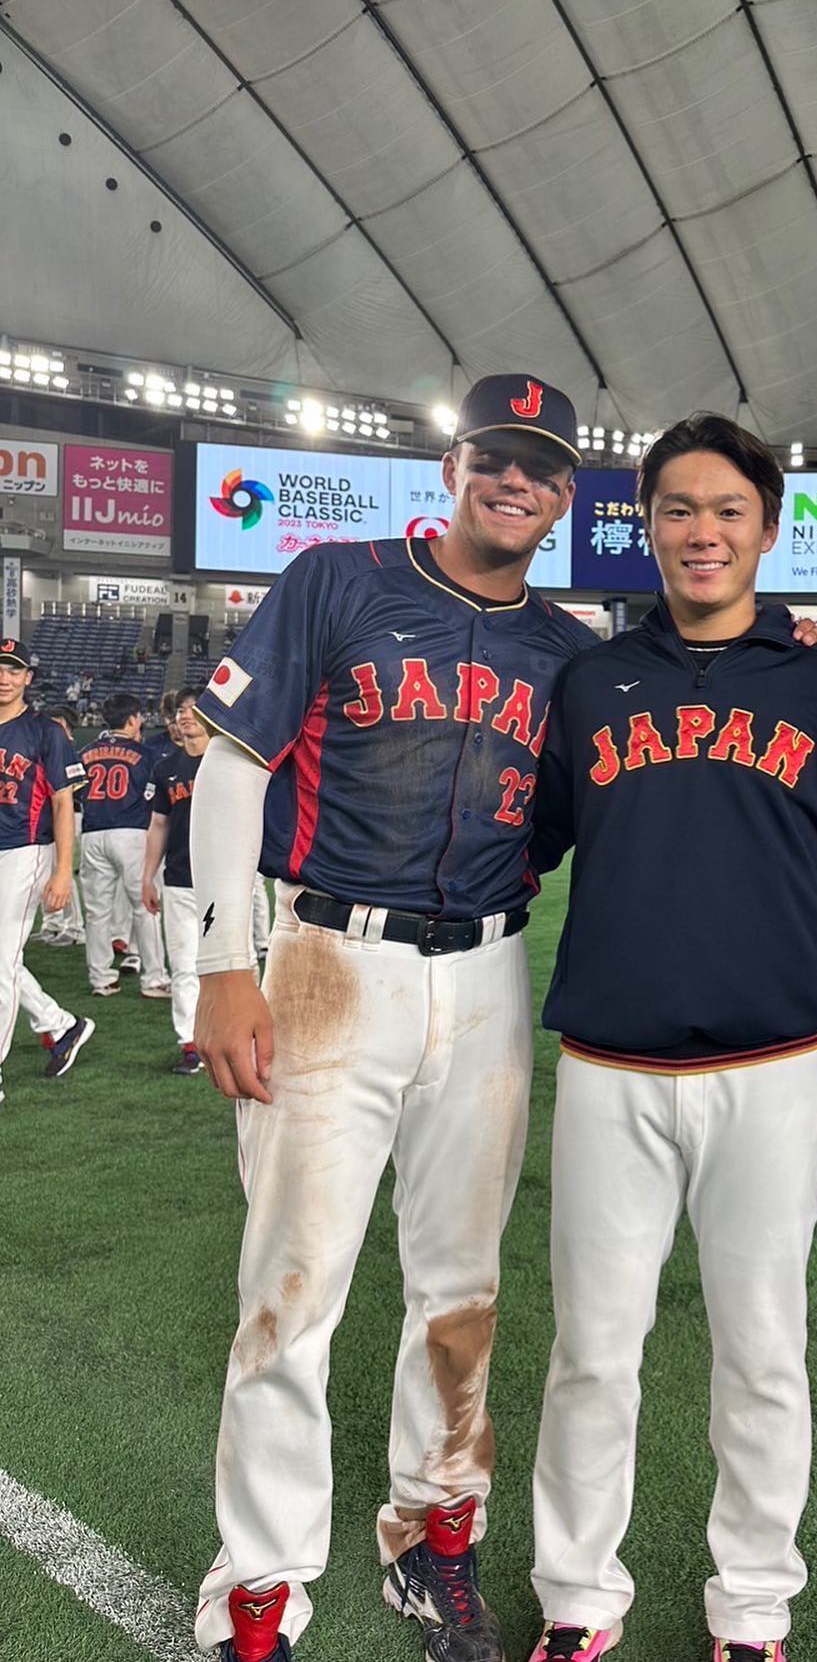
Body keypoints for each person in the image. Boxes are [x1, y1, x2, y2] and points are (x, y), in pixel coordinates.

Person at [189, 375, 595, 1662]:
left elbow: (589, 813)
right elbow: (231, 759)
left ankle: (435, 1536)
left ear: (563, 494)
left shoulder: (570, 651)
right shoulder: (337, 577)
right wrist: (224, 961)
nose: (511, 481)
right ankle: (257, 1582)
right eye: (493, 456)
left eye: (538, 465)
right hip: (326, 961)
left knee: (461, 1286)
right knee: (289, 1288)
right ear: (453, 466)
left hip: (486, 977)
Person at [524, 415, 817, 1662]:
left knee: (765, 1355)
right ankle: (576, 1597)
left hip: (772, 1072)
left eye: (727, 509)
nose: (703, 531)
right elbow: (531, 838)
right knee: (590, 1355)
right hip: (610, 1072)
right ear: (648, 525)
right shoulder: (589, 679)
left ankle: (753, 1607)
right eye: (678, 508)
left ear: (768, 528)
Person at [0, 640, 96, 1105]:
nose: (5, 677)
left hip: (24, 850)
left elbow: (63, 802)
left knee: (0, 961)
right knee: (4, 963)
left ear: (27, 679)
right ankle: (61, 1025)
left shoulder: (44, 732)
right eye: (0, 669)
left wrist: (62, 871)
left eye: (14, 670)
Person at [78, 692, 170, 999]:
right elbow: (154, 795)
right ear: (133, 719)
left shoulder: (86, 750)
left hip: (92, 834)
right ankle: (154, 977)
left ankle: (101, 978)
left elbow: (77, 793)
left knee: (97, 912)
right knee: (145, 906)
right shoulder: (144, 754)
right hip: (130, 833)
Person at [142, 698, 213, 1075]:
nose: (183, 717)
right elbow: (158, 826)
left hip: (223, 880)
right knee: (184, 965)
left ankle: (239, 1033)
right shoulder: (167, 767)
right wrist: (147, 876)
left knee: (233, 961)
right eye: (179, 712)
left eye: (191, 710)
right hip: (180, 880)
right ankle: (190, 1042)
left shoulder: (228, 760)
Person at [38, 702, 86, 947]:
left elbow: (72, 795)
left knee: (62, 872)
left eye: (59, 724)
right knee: (45, 873)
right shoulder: (44, 747)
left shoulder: (67, 749)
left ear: (68, 729)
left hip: (69, 817)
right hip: (45, 818)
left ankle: (75, 927)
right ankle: (53, 922)